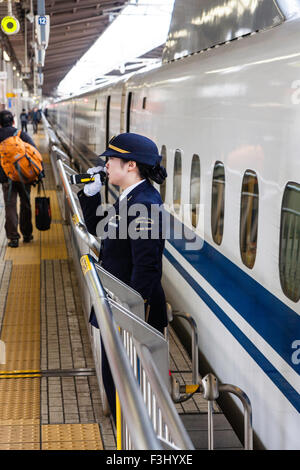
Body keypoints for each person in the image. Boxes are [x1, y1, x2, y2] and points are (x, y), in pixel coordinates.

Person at [78, 132, 168, 419]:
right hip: (121, 309)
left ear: (131, 166)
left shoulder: (145, 205)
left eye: (111, 159)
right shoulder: (131, 198)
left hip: (129, 316)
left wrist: (132, 317)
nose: (105, 165)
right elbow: (103, 233)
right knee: (116, 383)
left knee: (127, 393)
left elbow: (148, 266)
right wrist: (90, 196)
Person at [0, 110, 36, 247]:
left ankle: (13, 238)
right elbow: (34, 151)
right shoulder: (21, 134)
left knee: (10, 207)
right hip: (23, 176)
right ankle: (27, 234)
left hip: (6, 179)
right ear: (13, 121)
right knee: (25, 204)